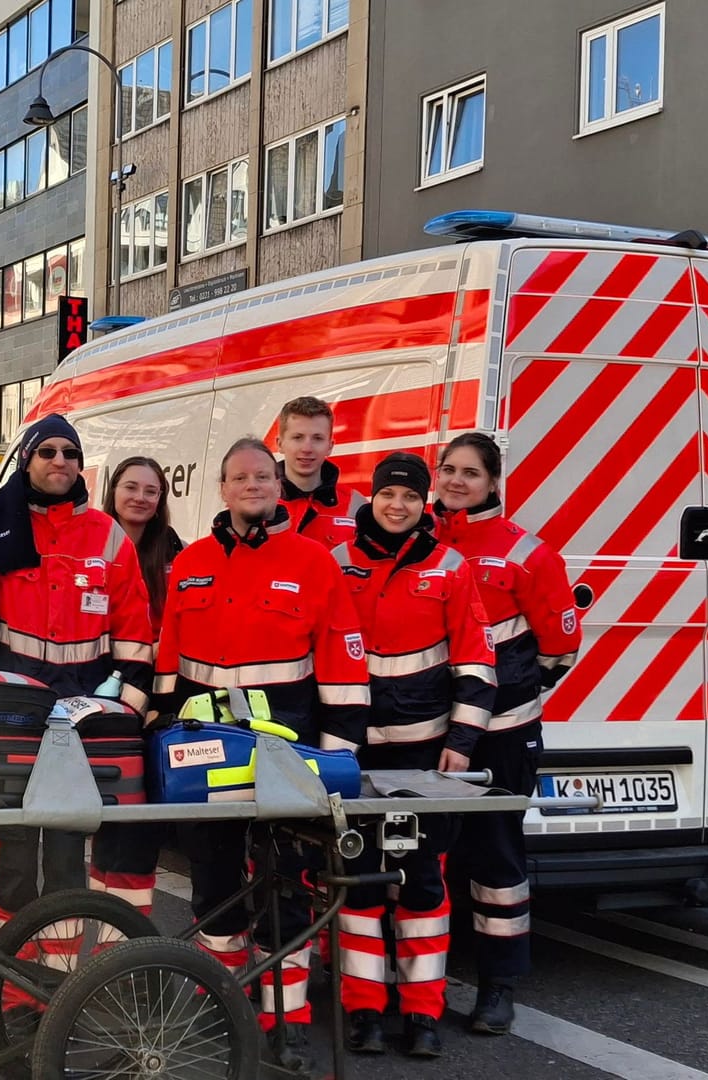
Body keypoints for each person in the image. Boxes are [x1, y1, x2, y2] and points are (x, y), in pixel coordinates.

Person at [152, 437, 369, 1071]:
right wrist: (163, 735)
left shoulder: (313, 561)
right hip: (209, 756)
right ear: (221, 490)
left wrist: (339, 757)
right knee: (214, 881)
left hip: (289, 754)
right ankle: (226, 1003)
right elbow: (169, 666)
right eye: (240, 478)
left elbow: (342, 661)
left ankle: (289, 1018)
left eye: (263, 478)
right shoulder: (189, 563)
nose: (253, 486)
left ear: (278, 488)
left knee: (287, 886)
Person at [0, 415, 152, 929]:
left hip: (84, 720)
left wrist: (125, 710)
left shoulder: (108, 537)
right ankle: (10, 980)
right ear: (28, 460)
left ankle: (53, 981)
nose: (60, 461)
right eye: (48, 452)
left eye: (70, 453)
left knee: (66, 852)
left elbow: (134, 634)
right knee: (12, 852)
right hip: (12, 715)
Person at [323, 452, 497, 1058]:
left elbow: (476, 659)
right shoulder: (337, 564)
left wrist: (461, 741)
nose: (398, 505)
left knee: (423, 884)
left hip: (426, 761)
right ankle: (365, 1011)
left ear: (426, 504)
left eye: (410, 496)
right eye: (388, 494)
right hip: (357, 758)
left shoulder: (450, 567)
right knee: (361, 886)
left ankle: (423, 1014)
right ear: (370, 498)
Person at [432, 431, 580, 1035]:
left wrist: (505, 703)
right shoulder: (418, 539)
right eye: (448, 469)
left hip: (502, 734)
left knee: (496, 856)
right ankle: (421, 984)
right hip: (429, 732)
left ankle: (498, 986)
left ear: (493, 483)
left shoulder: (529, 554)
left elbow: (560, 649)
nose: (457, 481)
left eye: (471, 472)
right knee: (424, 860)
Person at [85, 456, 184, 917]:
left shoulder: (174, 552)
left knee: (141, 823)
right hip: (108, 700)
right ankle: (106, 928)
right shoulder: (97, 543)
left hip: (158, 708)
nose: (141, 498)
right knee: (110, 819)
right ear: (113, 490)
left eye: (151, 490)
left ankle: (127, 942)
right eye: (132, 487)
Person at [275, 395, 365, 549]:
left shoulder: (356, 506)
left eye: (317, 438)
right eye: (297, 437)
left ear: (330, 446)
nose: (307, 448)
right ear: (280, 444)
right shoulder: (255, 501)